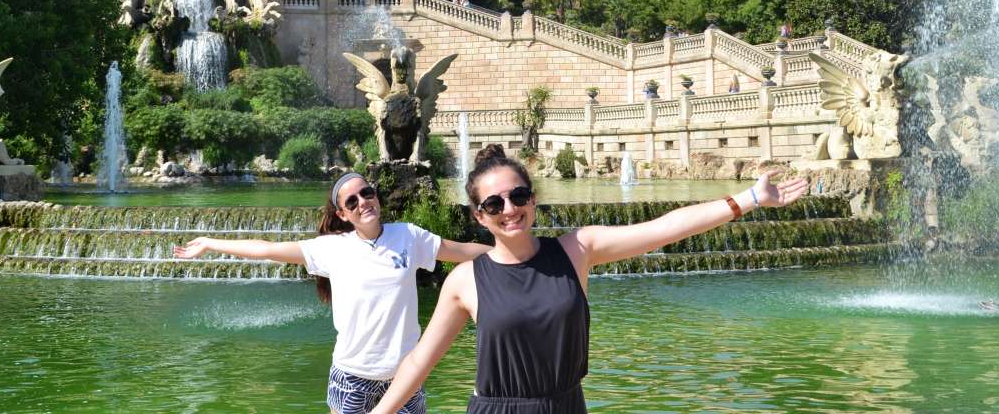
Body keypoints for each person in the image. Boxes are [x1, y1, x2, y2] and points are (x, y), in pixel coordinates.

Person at [368, 146, 808, 413]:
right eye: (494, 203)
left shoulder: (576, 250)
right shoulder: (466, 280)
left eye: (518, 196)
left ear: (533, 200)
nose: (509, 209)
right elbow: (418, 363)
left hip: (567, 405)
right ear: (478, 216)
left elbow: (666, 226)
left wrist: (749, 198)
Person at [174, 172, 491, 414]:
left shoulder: (409, 236)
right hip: (351, 377)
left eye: (366, 193)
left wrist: (513, 251)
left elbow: (461, 250)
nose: (362, 202)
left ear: (375, 196)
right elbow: (265, 249)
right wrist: (209, 242)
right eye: (351, 201)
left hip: (405, 376)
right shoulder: (331, 249)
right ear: (342, 214)